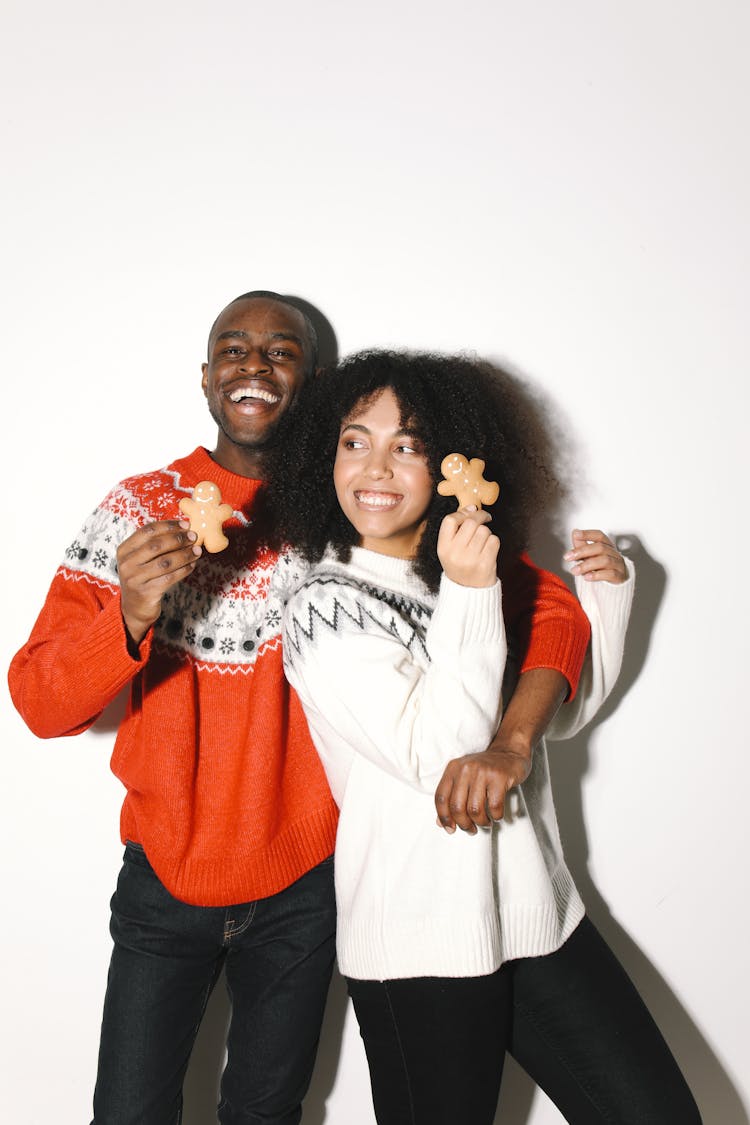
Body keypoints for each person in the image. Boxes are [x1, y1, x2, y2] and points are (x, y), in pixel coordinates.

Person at [7, 294, 594, 1125]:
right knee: (126, 1113)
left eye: (281, 352)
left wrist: (513, 739)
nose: (254, 365)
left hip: (306, 884)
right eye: (233, 349)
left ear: (311, 382)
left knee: (267, 1109)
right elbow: (37, 698)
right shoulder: (139, 509)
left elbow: (549, 608)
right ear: (206, 376)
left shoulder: (358, 506)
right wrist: (129, 614)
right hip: (164, 878)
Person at [271, 349, 702, 1125]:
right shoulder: (322, 607)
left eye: (407, 443)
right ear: (323, 457)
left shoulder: (464, 573)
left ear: (449, 462)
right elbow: (443, 753)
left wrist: (605, 600)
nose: (376, 465)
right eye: (353, 440)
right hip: (419, 941)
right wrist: (473, 596)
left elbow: (548, 726)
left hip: (534, 917)